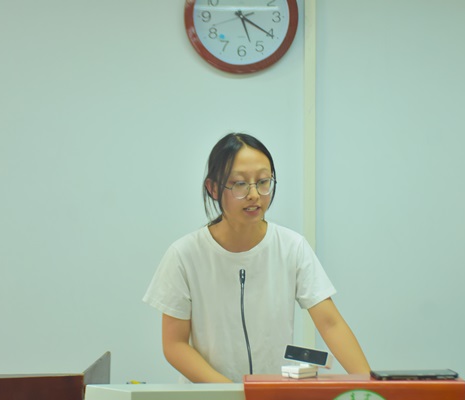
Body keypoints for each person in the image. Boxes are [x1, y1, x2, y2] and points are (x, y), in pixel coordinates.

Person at [143, 133, 370, 383]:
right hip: (212, 395)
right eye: (239, 183)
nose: (254, 194)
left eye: (263, 181)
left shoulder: (292, 247)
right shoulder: (184, 255)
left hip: (273, 393)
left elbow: (330, 323)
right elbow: (174, 345)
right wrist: (231, 393)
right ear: (213, 188)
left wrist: (374, 388)